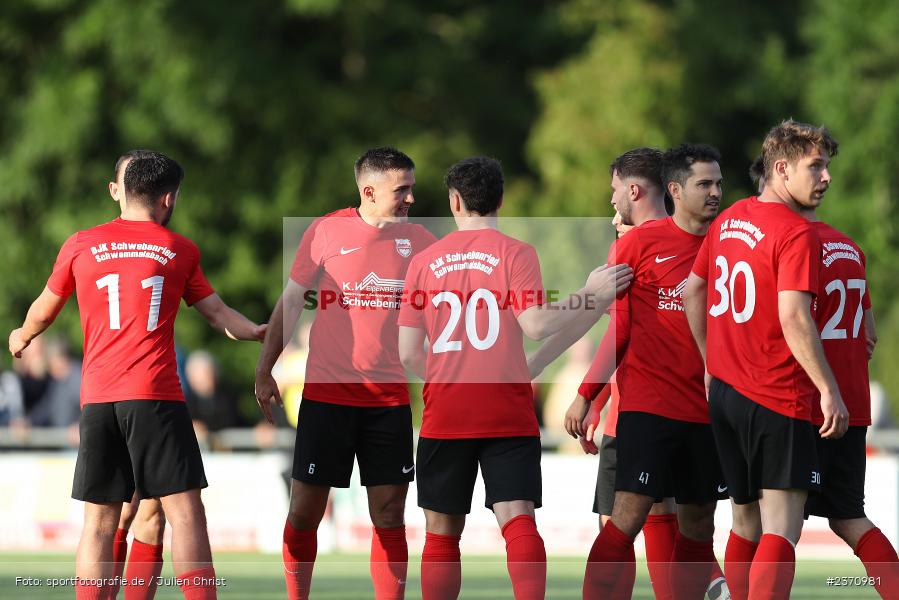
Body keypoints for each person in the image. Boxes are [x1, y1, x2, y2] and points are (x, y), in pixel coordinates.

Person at [8, 150, 266, 600]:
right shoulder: (177, 249)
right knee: (185, 514)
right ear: (168, 198)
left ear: (120, 192)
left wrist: (20, 335)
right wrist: (257, 332)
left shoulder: (80, 244)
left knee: (99, 522)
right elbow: (217, 314)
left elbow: (44, 309)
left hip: (97, 398)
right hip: (155, 395)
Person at [397, 156, 632, 600]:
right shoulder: (517, 253)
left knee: (442, 534)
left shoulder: (424, 262)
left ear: (454, 202)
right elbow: (538, 324)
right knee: (518, 519)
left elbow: (408, 352)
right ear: (500, 199)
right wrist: (591, 295)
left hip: (447, 412)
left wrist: (451, 376)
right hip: (506, 408)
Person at [254, 147, 437, 600]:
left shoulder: (422, 242)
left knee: (390, 514)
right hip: (327, 398)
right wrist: (265, 368)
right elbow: (292, 302)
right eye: (403, 190)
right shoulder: (325, 231)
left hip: (389, 401)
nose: (411, 198)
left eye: (412, 188)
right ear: (368, 191)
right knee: (304, 512)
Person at [684, 120, 849, 600]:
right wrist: (828, 389)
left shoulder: (731, 217)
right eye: (814, 166)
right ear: (781, 169)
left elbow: (693, 290)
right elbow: (794, 317)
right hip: (778, 395)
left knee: (744, 521)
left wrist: (709, 360)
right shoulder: (796, 231)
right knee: (781, 530)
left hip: (728, 397)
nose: (825, 177)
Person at [576, 144, 726, 599]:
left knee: (699, 524)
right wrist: (588, 394)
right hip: (648, 411)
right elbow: (614, 328)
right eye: (705, 184)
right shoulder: (636, 245)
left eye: (719, 183)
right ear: (676, 190)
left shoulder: (731, 246)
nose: (716, 193)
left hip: (708, 413)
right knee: (626, 517)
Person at [795, 173, 899, 599]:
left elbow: (793, 321)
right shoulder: (850, 248)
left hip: (807, 403)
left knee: (769, 522)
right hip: (852, 402)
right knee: (849, 518)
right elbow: (869, 335)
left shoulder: (795, 244)